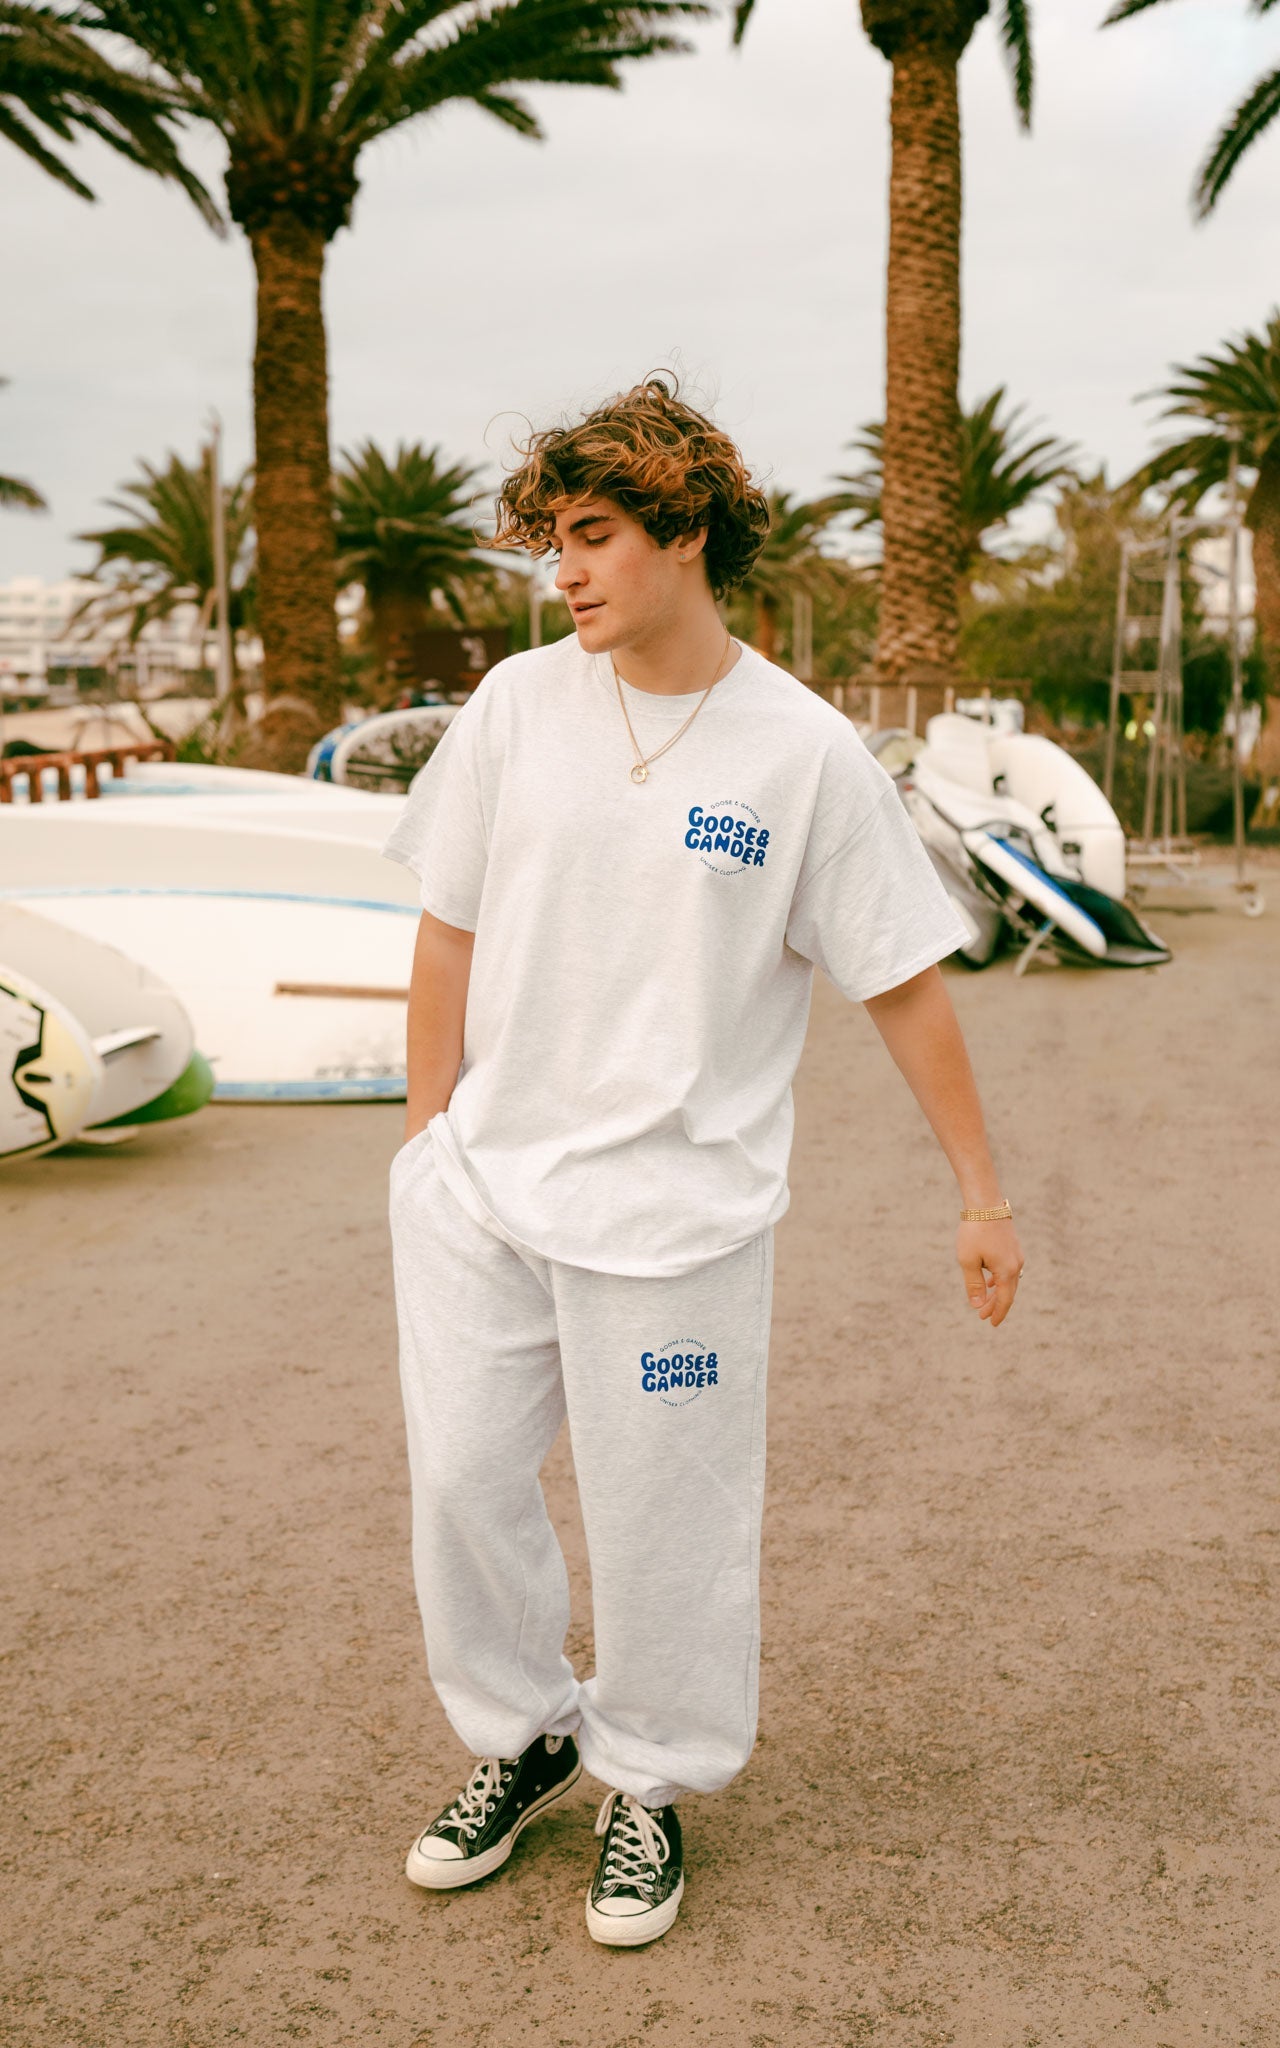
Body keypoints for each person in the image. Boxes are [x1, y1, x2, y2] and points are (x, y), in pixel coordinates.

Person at [381, 374, 1023, 1948]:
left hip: (678, 1219)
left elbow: (901, 984)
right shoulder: (517, 706)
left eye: (594, 535)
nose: (566, 571)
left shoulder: (802, 754)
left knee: (666, 1517)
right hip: (485, 1192)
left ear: (684, 533)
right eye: (553, 540)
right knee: (462, 1483)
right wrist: (423, 1149)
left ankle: (649, 1782)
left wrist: (981, 1193)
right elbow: (447, 929)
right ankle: (524, 1733)